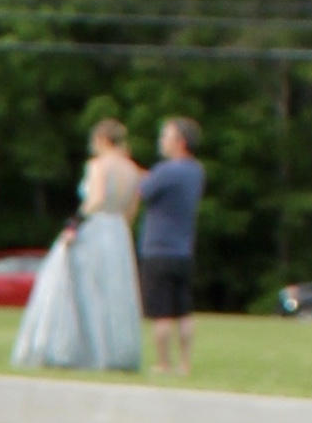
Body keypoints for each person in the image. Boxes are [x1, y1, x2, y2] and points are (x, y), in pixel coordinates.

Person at [12, 114, 146, 373]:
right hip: (118, 231)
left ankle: (83, 350)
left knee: (85, 288)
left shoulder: (99, 165)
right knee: (114, 291)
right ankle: (113, 351)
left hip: (96, 227)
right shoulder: (133, 170)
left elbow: (96, 198)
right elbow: (131, 210)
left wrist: (74, 223)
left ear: (102, 139)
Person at [136, 115, 203, 380]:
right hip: (183, 251)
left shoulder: (166, 170)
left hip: (159, 249)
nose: (161, 140)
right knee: (184, 311)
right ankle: (185, 364)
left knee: (161, 312)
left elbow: (143, 190)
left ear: (180, 142)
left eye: (166, 136)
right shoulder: (196, 171)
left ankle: (164, 364)